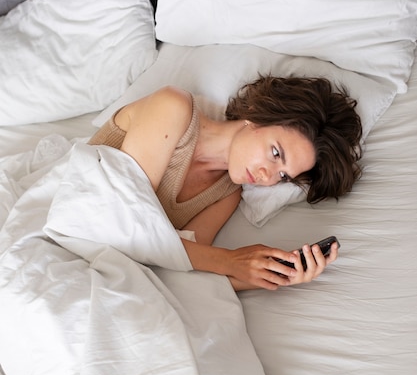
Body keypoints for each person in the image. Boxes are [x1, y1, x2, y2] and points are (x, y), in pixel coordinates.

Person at [89, 75, 362, 291]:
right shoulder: (172, 106)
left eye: (283, 176)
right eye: (276, 153)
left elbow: (181, 269)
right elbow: (119, 222)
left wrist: (272, 274)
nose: (268, 176)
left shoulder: (226, 194)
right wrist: (231, 259)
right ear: (258, 115)